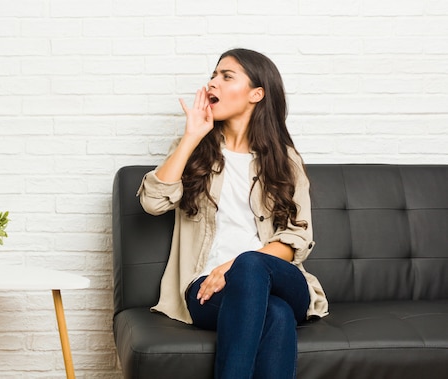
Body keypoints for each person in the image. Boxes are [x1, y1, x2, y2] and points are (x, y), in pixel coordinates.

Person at [137, 48, 329, 379]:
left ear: (257, 93)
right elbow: (153, 203)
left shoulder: (285, 160)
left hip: (279, 279)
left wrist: (233, 267)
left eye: (227, 76)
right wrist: (191, 136)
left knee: (251, 264)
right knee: (278, 315)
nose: (213, 83)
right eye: (213, 75)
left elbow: (297, 236)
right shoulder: (195, 152)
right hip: (206, 289)